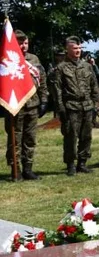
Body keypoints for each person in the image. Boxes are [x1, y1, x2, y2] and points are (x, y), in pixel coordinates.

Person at [47, 36, 97, 176]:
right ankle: (70, 164)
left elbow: (94, 86)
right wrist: (60, 108)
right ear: (67, 49)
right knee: (71, 136)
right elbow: (57, 90)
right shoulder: (61, 68)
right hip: (70, 107)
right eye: (75, 48)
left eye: (80, 48)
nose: (78, 51)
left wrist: (95, 105)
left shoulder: (87, 66)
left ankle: (82, 163)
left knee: (86, 136)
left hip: (87, 106)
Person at [4, 30, 44, 181]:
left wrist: (44, 99)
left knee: (30, 139)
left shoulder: (33, 59)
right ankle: (16, 170)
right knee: (15, 140)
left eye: (25, 42)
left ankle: (28, 169)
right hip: (15, 106)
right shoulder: (6, 58)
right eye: (20, 43)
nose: (23, 46)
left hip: (32, 104)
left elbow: (42, 79)